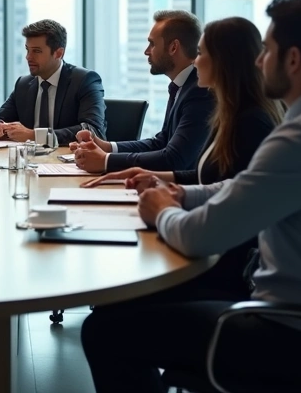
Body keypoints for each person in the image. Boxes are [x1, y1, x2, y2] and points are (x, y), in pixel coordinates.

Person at [81, 0, 301, 393]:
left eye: (266, 50)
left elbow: (200, 238)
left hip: (293, 336)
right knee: (120, 311)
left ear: (294, 60)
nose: (258, 60)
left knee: (104, 331)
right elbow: (242, 187)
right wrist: (181, 194)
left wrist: (162, 210)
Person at [83, 16, 282, 298]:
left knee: (109, 312)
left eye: (201, 54)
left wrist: (165, 208)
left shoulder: (249, 123)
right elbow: (220, 180)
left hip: (222, 262)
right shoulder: (232, 114)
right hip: (214, 247)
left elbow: (229, 199)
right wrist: (159, 180)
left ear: (224, 63)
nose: (195, 61)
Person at [72, 10, 214, 173]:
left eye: (152, 44)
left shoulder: (199, 92)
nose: (146, 51)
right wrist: (107, 147)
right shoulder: (182, 86)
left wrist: (106, 161)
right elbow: (161, 142)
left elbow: (174, 159)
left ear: (173, 47)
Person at [0, 19, 106, 145]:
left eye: (36, 51)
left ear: (58, 53)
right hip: (29, 161)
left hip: (70, 161)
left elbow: (92, 130)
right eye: (27, 50)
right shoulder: (23, 84)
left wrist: (35, 136)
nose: (28, 57)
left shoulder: (85, 80)